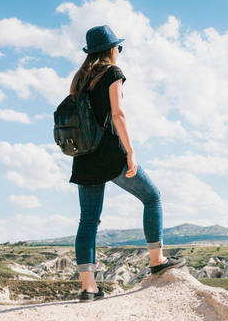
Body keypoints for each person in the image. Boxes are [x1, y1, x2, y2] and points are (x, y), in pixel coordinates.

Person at [68, 25, 185, 303]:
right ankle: (157, 260)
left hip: (84, 157)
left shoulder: (80, 78)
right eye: (118, 47)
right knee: (152, 197)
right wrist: (130, 152)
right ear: (111, 49)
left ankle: (89, 288)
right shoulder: (112, 73)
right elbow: (118, 114)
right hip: (110, 154)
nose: (119, 51)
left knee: (88, 220)